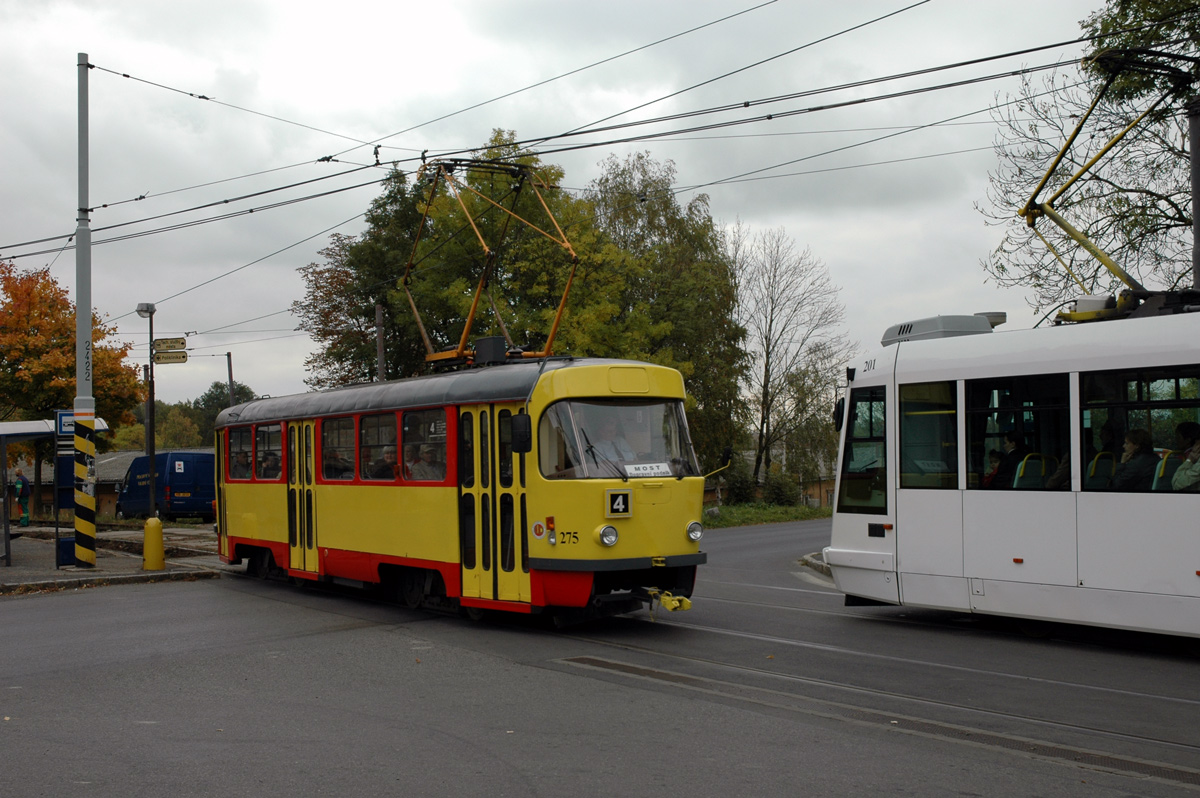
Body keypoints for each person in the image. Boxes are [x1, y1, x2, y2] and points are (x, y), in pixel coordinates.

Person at [1171, 421, 1200, 492]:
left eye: (1178, 437)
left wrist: (1189, 461)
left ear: (1188, 440)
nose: (1176, 440)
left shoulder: (1195, 460)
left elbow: (1176, 484)